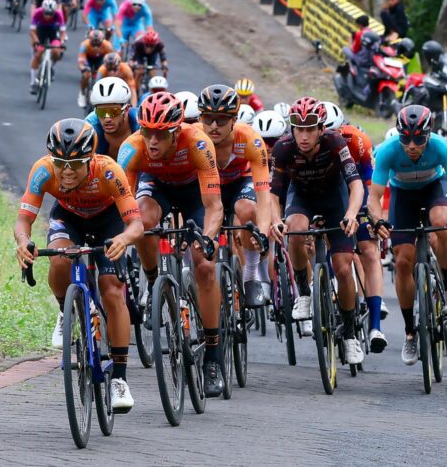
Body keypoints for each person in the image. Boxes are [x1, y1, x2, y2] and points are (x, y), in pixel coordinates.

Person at [14, 119, 142, 412]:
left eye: (76, 164)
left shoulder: (108, 170)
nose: (67, 171)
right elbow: (24, 219)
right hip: (68, 217)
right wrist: (23, 241)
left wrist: (123, 239)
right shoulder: (43, 170)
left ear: (91, 159)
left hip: (108, 221)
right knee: (60, 258)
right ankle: (65, 311)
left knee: (112, 290)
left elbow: (136, 223)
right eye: (61, 163)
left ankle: (119, 379)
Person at [118, 92, 225, 397]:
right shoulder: (132, 148)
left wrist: (207, 238)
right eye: (147, 132)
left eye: (161, 134)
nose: (152, 141)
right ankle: (153, 280)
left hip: (194, 194)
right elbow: (123, 206)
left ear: (176, 132)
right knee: (142, 221)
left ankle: (213, 356)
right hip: (156, 187)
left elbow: (214, 206)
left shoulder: (198, 142)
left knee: (205, 266)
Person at [267, 97, 366, 362]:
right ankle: (304, 293)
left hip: (335, 198)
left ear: (321, 129)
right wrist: (275, 220)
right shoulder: (283, 148)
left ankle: (349, 334)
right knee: (295, 229)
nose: (304, 136)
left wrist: (351, 214)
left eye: (310, 129)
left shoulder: (335, 142)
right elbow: (273, 194)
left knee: (343, 268)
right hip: (302, 197)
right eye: (299, 129)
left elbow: (356, 184)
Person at [368, 105, 447, 366]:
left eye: (419, 139)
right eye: (406, 139)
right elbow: (374, 197)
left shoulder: (441, 146)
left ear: (429, 135)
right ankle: (410, 332)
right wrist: (378, 220)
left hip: (433, 189)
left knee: (441, 222)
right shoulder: (388, 150)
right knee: (402, 261)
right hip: (403, 197)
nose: (412, 146)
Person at [321, 102, 388, 352]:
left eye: (334, 132)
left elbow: (370, 186)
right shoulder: (304, 144)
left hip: (358, 192)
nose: (329, 138)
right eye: (323, 133)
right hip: (327, 195)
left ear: (343, 129)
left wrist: (373, 218)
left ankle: (375, 326)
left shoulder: (358, 141)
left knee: (368, 251)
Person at [198, 85, 272, 308]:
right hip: (208, 186)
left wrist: (263, 233)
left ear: (234, 120)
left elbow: (264, 196)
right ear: (200, 118)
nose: (213, 126)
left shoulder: (250, 139)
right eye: (208, 118)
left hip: (240, 182)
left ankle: (251, 275)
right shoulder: (194, 138)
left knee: (247, 208)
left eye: (221, 120)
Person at [85, 77, 139, 159]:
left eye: (114, 111)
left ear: (126, 109)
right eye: (101, 112)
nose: (107, 119)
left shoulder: (141, 123)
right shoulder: (89, 127)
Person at [29, 0, 67, 93]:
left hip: (52, 31)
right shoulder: (37, 13)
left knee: (57, 52)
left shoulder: (59, 14)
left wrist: (62, 42)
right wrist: (36, 41)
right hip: (40, 31)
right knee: (37, 55)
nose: (48, 16)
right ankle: (33, 82)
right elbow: (32, 32)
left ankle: (50, 66)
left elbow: (63, 32)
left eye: (50, 14)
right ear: (42, 11)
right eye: (46, 13)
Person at [77, 29, 110, 109]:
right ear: (89, 40)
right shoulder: (84, 45)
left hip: (100, 59)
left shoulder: (107, 45)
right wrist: (83, 68)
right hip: (88, 59)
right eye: (93, 43)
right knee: (86, 74)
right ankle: (82, 93)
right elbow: (81, 61)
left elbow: (109, 60)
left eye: (98, 43)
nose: (95, 46)